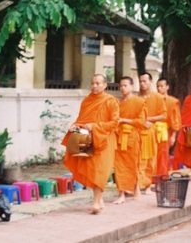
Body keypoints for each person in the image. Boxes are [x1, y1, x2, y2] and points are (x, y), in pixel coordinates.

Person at [62, 74, 119, 214]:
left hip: (105, 139)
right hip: (88, 139)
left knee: (100, 170)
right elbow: (81, 119)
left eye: (98, 83)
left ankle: (95, 203)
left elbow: (114, 123)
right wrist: (74, 126)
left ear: (105, 85)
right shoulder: (87, 101)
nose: (95, 86)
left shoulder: (111, 101)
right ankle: (99, 198)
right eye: (93, 83)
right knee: (91, 170)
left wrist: (95, 126)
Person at [113, 77, 146, 204]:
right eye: (120, 86)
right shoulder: (118, 103)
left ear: (132, 86)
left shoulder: (139, 102)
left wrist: (124, 120)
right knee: (119, 166)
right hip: (119, 137)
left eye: (125, 85)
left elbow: (142, 122)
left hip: (132, 136)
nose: (122, 88)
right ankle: (121, 193)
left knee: (133, 164)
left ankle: (136, 187)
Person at [138, 73, 168, 188]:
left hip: (150, 132)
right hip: (138, 132)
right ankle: (139, 183)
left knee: (151, 159)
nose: (142, 84)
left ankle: (148, 183)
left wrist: (149, 119)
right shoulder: (137, 98)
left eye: (145, 81)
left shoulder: (158, 97)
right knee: (138, 159)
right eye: (140, 81)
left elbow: (164, 115)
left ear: (150, 82)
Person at [156, 77, 181, 170]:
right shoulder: (154, 100)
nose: (159, 88)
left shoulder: (173, 101)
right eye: (158, 86)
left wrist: (173, 136)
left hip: (166, 131)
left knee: (163, 153)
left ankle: (162, 175)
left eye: (162, 86)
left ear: (167, 87)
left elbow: (175, 119)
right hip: (153, 131)